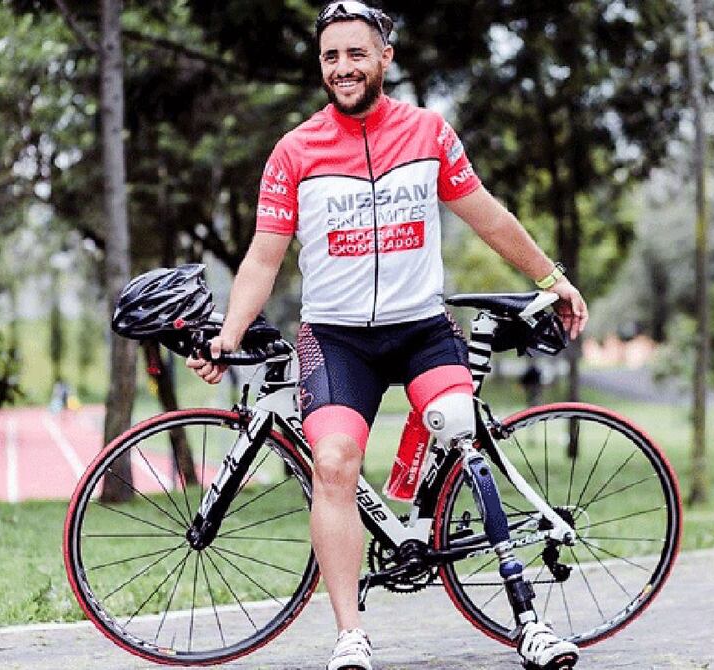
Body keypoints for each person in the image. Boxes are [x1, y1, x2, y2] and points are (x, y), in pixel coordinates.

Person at [187, 3, 589, 669]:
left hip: (421, 329)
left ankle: (529, 622)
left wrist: (552, 278)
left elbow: (488, 217)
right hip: (336, 340)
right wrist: (229, 335)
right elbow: (262, 258)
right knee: (333, 462)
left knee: (459, 426)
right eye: (330, 57)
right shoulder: (295, 151)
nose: (342, 67)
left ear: (384, 59)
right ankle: (351, 636)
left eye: (355, 53)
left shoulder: (428, 132)